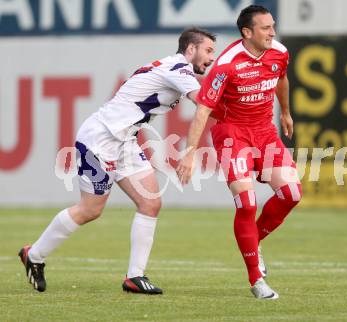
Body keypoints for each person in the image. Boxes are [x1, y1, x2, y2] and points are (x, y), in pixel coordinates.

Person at [19, 27, 216, 294]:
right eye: (208, 51)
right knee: (90, 209)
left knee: (150, 202)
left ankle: (135, 277)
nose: (211, 58)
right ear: (190, 49)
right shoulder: (179, 68)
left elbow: (207, 102)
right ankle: (35, 255)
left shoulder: (175, 69)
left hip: (125, 140)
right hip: (100, 139)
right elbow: (203, 101)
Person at [177, 5, 302, 300]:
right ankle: (257, 279)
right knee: (246, 202)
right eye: (265, 28)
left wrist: (285, 111)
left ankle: (253, 243)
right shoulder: (226, 65)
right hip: (233, 132)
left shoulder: (279, 52)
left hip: (264, 131)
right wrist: (190, 152)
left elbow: (281, 79)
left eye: (273, 26)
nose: (272, 32)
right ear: (247, 33)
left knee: (291, 194)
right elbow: (204, 109)